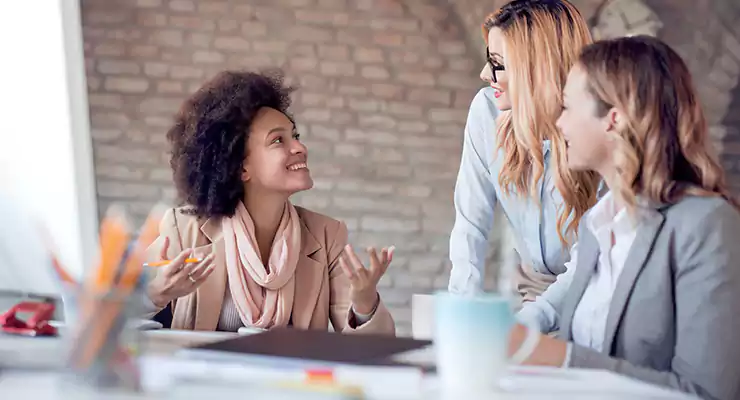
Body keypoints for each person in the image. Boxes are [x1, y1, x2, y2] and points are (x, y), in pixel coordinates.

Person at [508, 36, 740, 400]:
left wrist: (563, 358)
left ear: (613, 120)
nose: (559, 122)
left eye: (567, 107)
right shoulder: (594, 226)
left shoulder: (707, 225)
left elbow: (706, 393)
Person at [143, 70, 395, 335]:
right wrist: (156, 295)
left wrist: (365, 304)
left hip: (291, 377)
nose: (300, 148)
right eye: (278, 140)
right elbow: (113, 314)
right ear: (240, 168)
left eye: (295, 136)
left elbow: (372, 346)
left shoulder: (326, 236)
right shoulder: (184, 230)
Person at [448, 0, 601, 301]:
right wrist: (460, 314)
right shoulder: (486, 111)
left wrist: (534, 322)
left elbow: (593, 259)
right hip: (531, 292)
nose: (484, 73)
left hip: (593, 298)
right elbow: (470, 223)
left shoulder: (596, 128)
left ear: (537, 69)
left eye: (498, 63)